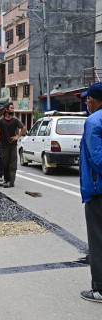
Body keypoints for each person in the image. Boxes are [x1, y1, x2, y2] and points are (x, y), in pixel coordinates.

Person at [79, 82, 102, 302]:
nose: (87, 102)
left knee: (97, 240)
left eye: (88, 99)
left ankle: (100, 288)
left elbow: (98, 160)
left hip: (98, 191)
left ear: (94, 100)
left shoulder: (93, 121)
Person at [0, 103, 26, 188]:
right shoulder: (0, 120)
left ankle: (11, 182)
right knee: (5, 164)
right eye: (11, 108)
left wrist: (18, 136)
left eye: (13, 108)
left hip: (12, 146)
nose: (13, 110)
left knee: (12, 165)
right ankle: (6, 180)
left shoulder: (15, 120)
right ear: (6, 109)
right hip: (3, 146)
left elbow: (24, 128)